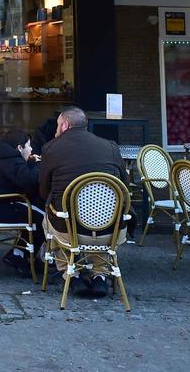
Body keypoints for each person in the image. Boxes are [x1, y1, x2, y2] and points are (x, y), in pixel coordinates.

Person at [38, 106, 128, 298]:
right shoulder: (110, 147)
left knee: (50, 215)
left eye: (57, 126)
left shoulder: (51, 148)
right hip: (110, 231)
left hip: (69, 231)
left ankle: (70, 273)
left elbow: (44, 190)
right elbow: (125, 186)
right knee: (101, 216)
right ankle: (100, 275)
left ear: (64, 125)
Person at [0, 130, 43, 276]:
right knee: (42, 219)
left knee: (34, 212)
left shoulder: (5, 158)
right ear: (19, 148)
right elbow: (28, 181)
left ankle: (20, 255)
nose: (31, 149)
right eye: (28, 146)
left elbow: (19, 178)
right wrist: (37, 164)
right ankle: (21, 255)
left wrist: (29, 162)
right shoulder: (12, 160)